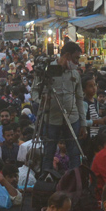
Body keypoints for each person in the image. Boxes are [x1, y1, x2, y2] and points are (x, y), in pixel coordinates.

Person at [32, 41, 84, 171]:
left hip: (72, 118)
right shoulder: (47, 70)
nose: (77, 62)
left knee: (74, 153)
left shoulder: (75, 74)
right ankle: (46, 179)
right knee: (48, 152)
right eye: (76, 58)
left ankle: (74, 180)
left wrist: (83, 123)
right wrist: (42, 101)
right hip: (51, 118)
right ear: (67, 55)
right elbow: (34, 92)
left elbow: (79, 98)